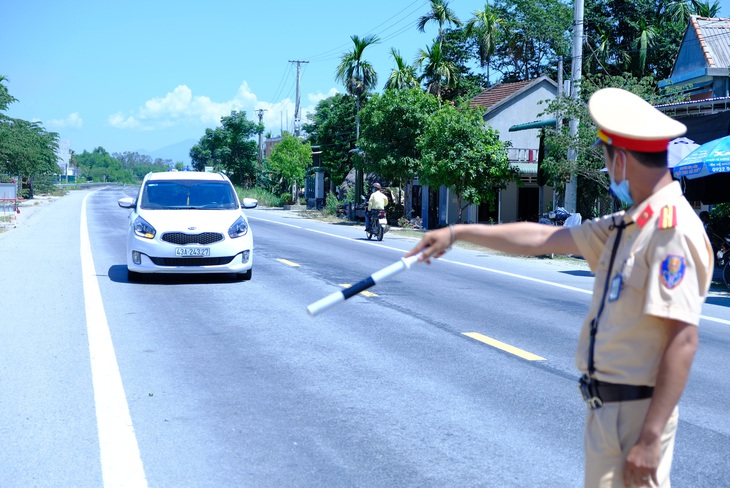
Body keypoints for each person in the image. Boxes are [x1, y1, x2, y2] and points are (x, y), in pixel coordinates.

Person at [406, 87, 713, 488]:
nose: (607, 172)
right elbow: (541, 239)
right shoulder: (628, 225)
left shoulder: (670, 229)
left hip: (636, 417)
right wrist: (458, 232)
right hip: (608, 412)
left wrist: (651, 438)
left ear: (620, 158)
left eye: (606, 158)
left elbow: (683, 340)